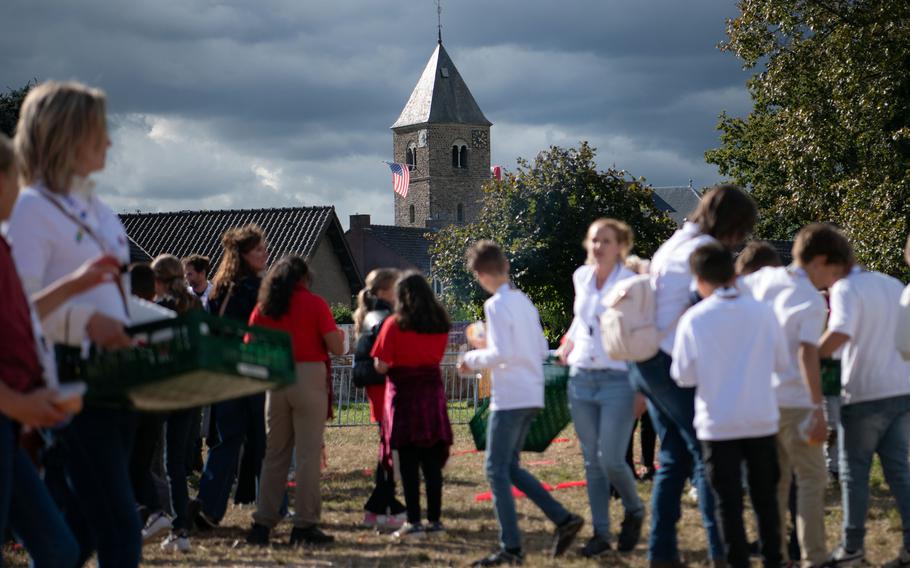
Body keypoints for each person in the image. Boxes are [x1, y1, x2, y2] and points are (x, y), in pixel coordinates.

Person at [7, 81, 140, 567]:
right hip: (70, 381)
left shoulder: (100, 211)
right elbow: (15, 310)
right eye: (98, 130)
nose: (108, 141)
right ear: (67, 135)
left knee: (77, 534)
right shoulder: (31, 210)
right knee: (120, 525)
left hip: (114, 381)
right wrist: (84, 322)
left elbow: (116, 296)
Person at [629, 184, 757, 567]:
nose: (739, 242)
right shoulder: (705, 251)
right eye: (740, 232)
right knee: (709, 456)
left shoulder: (674, 242)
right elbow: (712, 310)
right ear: (730, 225)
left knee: (673, 459)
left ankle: (662, 553)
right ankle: (724, 551)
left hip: (650, 362)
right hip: (673, 365)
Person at [461, 241, 584, 566]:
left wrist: (469, 359)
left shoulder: (496, 305)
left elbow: (501, 354)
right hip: (531, 392)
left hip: (511, 395)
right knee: (509, 467)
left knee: (495, 468)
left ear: (480, 273)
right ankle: (562, 518)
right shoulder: (524, 303)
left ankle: (511, 547)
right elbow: (533, 346)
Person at [672, 243, 786, 568]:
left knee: (727, 501)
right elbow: (781, 362)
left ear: (698, 278)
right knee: (765, 498)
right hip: (761, 417)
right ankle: (773, 558)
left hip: (718, 421)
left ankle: (736, 561)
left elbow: (683, 376)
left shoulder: (694, 319)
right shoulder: (763, 312)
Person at [740, 225, 844, 567]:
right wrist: (817, 409)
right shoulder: (811, 300)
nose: (832, 281)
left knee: (776, 483)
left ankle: (777, 554)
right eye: (833, 271)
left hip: (758, 399)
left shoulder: (762, 280)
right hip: (795, 402)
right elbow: (806, 354)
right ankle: (814, 556)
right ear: (820, 261)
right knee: (812, 480)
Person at [818, 227, 910, 567]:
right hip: (901, 388)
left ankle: (852, 547)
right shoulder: (891, 283)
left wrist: (808, 357)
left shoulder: (845, 288)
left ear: (829, 263)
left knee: (854, 473)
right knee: (899, 472)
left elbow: (840, 331)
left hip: (864, 392)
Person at [556, 219, 645, 557]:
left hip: (618, 378)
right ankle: (601, 534)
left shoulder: (633, 283)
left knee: (611, 458)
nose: (597, 246)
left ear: (620, 245)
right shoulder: (582, 276)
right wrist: (567, 344)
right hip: (581, 376)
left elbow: (639, 335)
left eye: (605, 240)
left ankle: (634, 508)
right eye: (594, 240)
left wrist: (641, 387)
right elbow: (582, 319)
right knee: (592, 462)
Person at [244, 255, 343, 546]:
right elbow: (336, 347)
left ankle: (263, 523)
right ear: (303, 278)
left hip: (276, 378)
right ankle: (304, 525)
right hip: (308, 375)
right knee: (308, 456)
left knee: (275, 454)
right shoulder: (315, 304)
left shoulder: (264, 308)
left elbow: (250, 348)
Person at [189, 224, 268, 529]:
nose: (265, 253)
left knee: (225, 442)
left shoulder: (218, 289)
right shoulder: (254, 289)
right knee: (262, 443)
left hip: (224, 371)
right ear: (245, 255)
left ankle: (208, 507)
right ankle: (275, 505)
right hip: (251, 370)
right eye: (259, 249)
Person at [371, 271, 453, 542]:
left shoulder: (394, 324)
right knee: (431, 463)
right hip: (431, 395)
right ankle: (437, 520)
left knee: (407, 462)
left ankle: (415, 522)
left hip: (404, 396)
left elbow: (381, 364)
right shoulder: (440, 323)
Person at [146, 255, 203, 553]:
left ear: (159, 280)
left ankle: (170, 521)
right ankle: (181, 529)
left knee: (167, 463)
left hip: (167, 390)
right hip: (193, 389)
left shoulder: (158, 309)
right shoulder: (194, 306)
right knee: (178, 462)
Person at [352, 268, 407, 531]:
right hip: (383, 385)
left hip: (378, 385)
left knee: (389, 445)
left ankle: (386, 502)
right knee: (390, 446)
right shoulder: (383, 317)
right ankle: (378, 505)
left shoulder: (374, 314)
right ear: (385, 290)